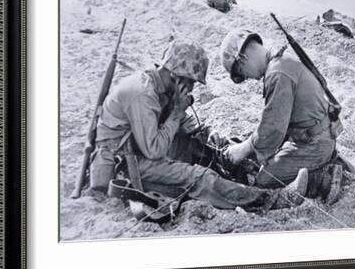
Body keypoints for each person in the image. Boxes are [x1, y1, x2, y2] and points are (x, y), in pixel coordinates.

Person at [89, 40, 309, 211]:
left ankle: (252, 176)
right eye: (192, 82)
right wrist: (176, 113)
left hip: (142, 147)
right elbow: (154, 150)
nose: (192, 89)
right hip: (128, 164)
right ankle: (275, 200)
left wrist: (210, 136)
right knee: (199, 177)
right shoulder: (142, 94)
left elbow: (183, 125)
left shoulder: (161, 85)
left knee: (208, 147)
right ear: (177, 77)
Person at [219, 29, 344, 204]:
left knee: (264, 180)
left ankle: (322, 178)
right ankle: (323, 162)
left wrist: (245, 148)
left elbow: (273, 130)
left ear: (243, 59)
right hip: (319, 134)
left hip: (314, 144)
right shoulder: (282, 59)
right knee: (258, 158)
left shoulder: (277, 74)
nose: (248, 78)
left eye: (241, 73)